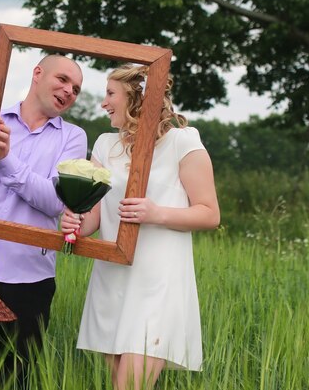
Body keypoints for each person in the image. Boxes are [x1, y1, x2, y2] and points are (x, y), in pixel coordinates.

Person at [61, 64, 220, 390]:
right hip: (112, 278)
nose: (103, 103)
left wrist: (156, 213)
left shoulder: (182, 142)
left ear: (135, 97)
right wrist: (75, 219)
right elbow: (93, 216)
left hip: (157, 285)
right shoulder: (105, 145)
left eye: (110, 94)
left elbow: (209, 214)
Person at [0, 54, 87, 384]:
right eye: (62, 80)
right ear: (37, 73)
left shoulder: (72, 138)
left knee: (18, 378)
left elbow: (55, 201)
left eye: (76, 89)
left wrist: (7, 160)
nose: (69, 91)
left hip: (30, 280)